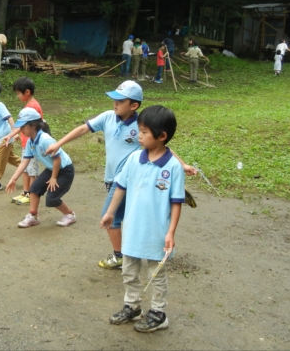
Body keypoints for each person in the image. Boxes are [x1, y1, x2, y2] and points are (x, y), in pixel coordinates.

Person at [45, 81, 195, 269]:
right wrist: (58, 144)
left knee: (110, 216)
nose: (115, 103)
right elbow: (83, 128)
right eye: (114, 99)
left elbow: (162, 146)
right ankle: (135, 250)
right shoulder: (108, 117)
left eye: (120, 100)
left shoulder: (142, 125)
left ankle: (120, 256)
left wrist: (182, 164)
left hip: (126, 179)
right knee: (128, 215)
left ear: (134, 105)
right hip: (111, 178)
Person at [101, 105, 185, 333]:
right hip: (132, 229)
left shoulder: (173, 167)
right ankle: (132, 306)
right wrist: (110, 212)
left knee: (156, 275)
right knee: (129, 270)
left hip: (157, 233)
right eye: (139, 130)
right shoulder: (134, 158)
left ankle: (158, 313)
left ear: (162, 136)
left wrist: (171, 232)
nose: (139, 135)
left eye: (144, 131)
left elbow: (177, 202)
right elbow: (121, 186)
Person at [5, 108, 77, 228]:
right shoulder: (30, 142)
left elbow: (57, 159)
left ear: (33, 126)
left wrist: (53, 178)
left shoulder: (45, 139)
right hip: (52, 168)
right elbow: (24, 163)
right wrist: (13, 179)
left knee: (52, 198)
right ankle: (33, 216)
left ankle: (70, 215)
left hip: (64, 170)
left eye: (23, 126)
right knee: (34, 189)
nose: (20, 130)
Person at [2, 77, 43, 204]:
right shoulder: (29, 106)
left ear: (27, 92)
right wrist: (14, 135)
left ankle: (32, 193)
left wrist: (11, 134)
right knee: (25, 169)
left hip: (32, 145)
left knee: (32, 171)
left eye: (18, 93)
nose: (17, 96)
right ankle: (25, 192)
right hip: (26, 143)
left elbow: (26, 126)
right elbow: (22, 126)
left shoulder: (33, 106)